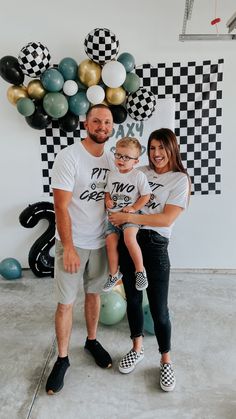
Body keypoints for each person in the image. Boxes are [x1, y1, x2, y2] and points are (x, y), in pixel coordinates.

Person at [109, 128, 190, 392]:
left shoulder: (180, 180)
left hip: (154, 246)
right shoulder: (139, 171)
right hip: (129, 241)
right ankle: (137, 348)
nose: (156, 153)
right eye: (152, 148)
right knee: (132, 299)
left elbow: (166, 219)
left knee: (159, 308)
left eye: (162, 148)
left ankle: (165, 360)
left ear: (172, 148)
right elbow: (119, 192)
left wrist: (130, 217)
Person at [46, 104, 115, 395]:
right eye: (97, 121)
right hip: (73, 244)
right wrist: (70, 247)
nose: (102, 126)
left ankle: (91, 340)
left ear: (112, 127)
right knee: (65, 303)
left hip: (100, 241)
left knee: (93, 295)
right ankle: (62, 358)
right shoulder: (69, 156)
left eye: (107, 122)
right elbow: (60, 207)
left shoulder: (113, 159)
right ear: (86, 124)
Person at [103, 137, 151, 293]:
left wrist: (134, 207)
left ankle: (140, 271)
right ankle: (114, 274)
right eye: (118, 155)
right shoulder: (111, 175)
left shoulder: (138, 176)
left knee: (129, 238)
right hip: (113, 216)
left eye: (126, 157)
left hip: (130, 217)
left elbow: (146, 195)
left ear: (135, 161)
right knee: (110, 242)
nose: (121, 160)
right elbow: (107, 192)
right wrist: (108, 200)